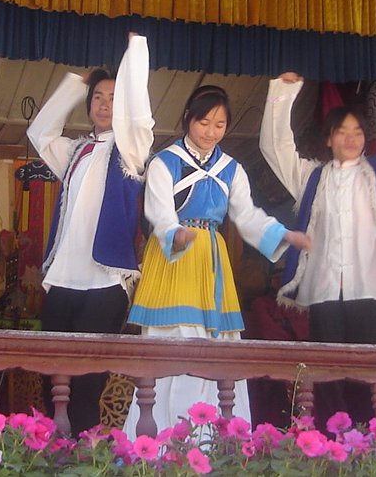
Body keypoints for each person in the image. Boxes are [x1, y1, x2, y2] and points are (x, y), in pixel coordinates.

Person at [259, 54, 376, 430]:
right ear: (329, 138)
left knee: (372, 378)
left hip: (371, 291)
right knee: (327, 378)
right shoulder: (310, 177)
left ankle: (371, 447)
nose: (352, 138)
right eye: (343, 131)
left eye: (358, 132)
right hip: (324, 291)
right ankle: (331, 448)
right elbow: (274, 147)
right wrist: (284, 91)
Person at [122, 85, 311, 436]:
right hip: (174, 260)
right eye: (204, 122)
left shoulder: (231, 168)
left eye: (219, 125)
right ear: (187, 119)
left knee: (216, 348)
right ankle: (160, 440)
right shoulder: (165, 162)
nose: (210, 132)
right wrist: (174, 234)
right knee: (172, 346)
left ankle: (212, 441)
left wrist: (283, 234)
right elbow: (160, 213)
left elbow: (248, 216)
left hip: (210, 261)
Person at [27, 33, 154, 434]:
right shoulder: (77, 151)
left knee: (86, 384)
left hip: (105, 280)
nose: (104, 104)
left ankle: (81, 454)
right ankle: (52, 452)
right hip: (63, 279)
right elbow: (41, 133)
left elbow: (137, 119)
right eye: (98, 97)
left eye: (114, 97)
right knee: (54, 379)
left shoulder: (131, 149)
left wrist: (134, 54)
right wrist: (74, 84)